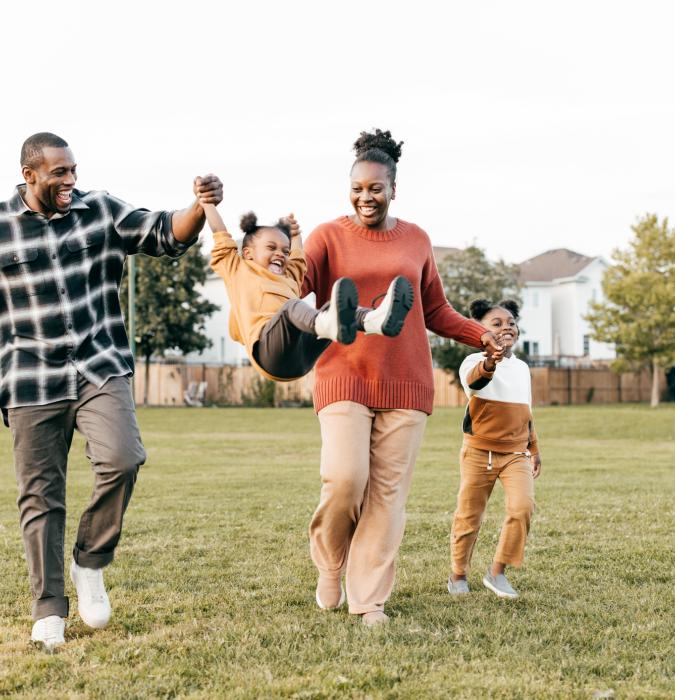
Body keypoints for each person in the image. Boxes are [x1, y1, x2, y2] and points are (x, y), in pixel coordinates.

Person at [0, 132, 223, 651]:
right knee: (40, 497)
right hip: (31, 377)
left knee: (123, 458)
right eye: (59, 173)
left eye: (73, 170)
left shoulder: (97, 210)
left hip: (100, 365)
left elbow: (166, 232)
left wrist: (199, 205)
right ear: (29, 174)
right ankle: (48, 610)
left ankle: (90, 561)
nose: (70, 180)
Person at [301, 128, 502, 626]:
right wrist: (274, 254)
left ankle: (369, 599)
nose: (365, 197)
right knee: (346, 479)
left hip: (407, 382)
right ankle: (330, 562)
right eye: (357, 188)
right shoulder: (326, 236)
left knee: (387, 496)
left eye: (375, 188)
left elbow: (435, 309)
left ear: (394, 188)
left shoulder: (416, 239)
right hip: (344, 374)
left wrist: (482, 336)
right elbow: (293, 289)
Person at [207, 205, 413, 381]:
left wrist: (295, 235)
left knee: (332, 307)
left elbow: (298, 259)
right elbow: (221, 237)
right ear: (248, 253)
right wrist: (207, 203)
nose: (280, 253)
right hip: (268, 355)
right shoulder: (238, 270)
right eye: (271, 247)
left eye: (284, 251)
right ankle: (327, 323)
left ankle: (376, 321)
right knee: (292, 308)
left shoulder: (289, 280)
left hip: (302, 358)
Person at [448, 299, 542, 600]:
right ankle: (458, 574)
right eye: (497, 323)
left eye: (510, 322)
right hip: (478, 453)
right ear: (482, 330)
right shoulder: (471, 363)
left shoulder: (523, 368)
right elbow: (476, 382)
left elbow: (525, 409)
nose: (506, 328)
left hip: (516, 453)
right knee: (469, 515)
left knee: (523, 507)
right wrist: (491, 360)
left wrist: (534, 446)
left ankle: (497, 571)